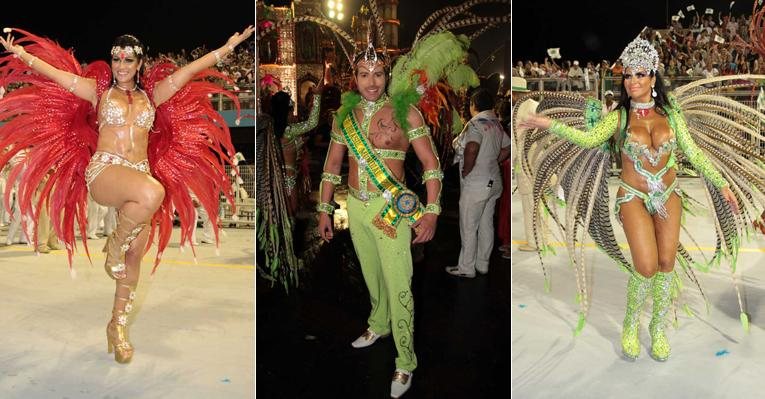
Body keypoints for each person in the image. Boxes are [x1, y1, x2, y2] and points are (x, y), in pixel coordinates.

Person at [0, 25, 254, 364]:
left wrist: (227, 47)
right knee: (152, 195)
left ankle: (117, 327)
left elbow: (190, 71)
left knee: (134, 259)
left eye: (128, 59)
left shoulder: (153, 96)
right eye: (116, 58)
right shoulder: (98, 93)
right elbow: (58, 75)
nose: (120, 65)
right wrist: (22, 55)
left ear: (139, 63)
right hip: (105, 171)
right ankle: (113, 246)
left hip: (139, 179)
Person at [518, 37, 739, 362]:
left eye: (639, 75)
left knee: (666, 265)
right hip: (632, 197)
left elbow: (691, 151)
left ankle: (658, 328)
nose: (632, 81)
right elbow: (588, 138)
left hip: (669, 195)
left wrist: (721, 184)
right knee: (646, 266)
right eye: (627, 75)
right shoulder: (618, 117)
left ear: (652, 77)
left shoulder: (670, 114)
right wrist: (547, 123)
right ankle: (630, 323)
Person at [316, 40, 445, 398]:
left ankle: (405, 361)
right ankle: (378, 323)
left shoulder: (408, 113)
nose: (371, 81)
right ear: (353, 78)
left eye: (377, 73)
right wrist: (325, 209)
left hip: (391, 208)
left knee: (399, 283)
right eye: (363, 74)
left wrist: (432, 211)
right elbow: (331, 166)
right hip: (356, 207)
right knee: (371, 275)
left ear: (387, 75)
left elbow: (431, 165)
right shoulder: (346, 116)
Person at [446, 88, 511, 278]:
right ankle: (483, 264)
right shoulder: (495, 123)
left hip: (477, 183)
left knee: (468, 226)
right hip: (493, 181)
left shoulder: (475, 125)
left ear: (474, 105)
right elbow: (507, 147)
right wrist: (493, 160)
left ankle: (466, 268)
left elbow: (472, 147)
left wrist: (468, 168)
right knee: (486, 223)